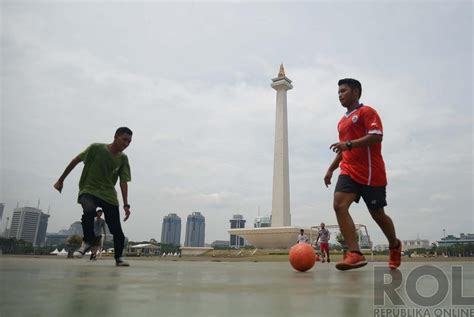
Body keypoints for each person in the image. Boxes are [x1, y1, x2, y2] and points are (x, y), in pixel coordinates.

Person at [324, 79, 401, 271]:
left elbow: (377, 135)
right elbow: (343, 150)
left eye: (343, 91)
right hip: (349, 170)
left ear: (356, 92)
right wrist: (331, 169)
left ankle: (394, 245)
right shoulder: (341, 122)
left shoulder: (367, 112)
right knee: (339, 204)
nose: (340, 94)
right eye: (338, 92)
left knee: (377, 214)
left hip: (371, 174)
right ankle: (355, 253)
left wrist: (349, 144)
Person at [54, 127, 133, 267]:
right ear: (115, 136)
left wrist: (126, 205)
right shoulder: (96, 148)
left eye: (129, 142)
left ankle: (119, 258)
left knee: (116, 230)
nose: (126, 144)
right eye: (124, 140)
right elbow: (75, 161)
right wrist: (61, 180)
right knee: (89, 210)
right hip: (89, 189)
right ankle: (87, 241)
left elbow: (123, 182)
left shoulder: (123, 159)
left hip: (108, 195)